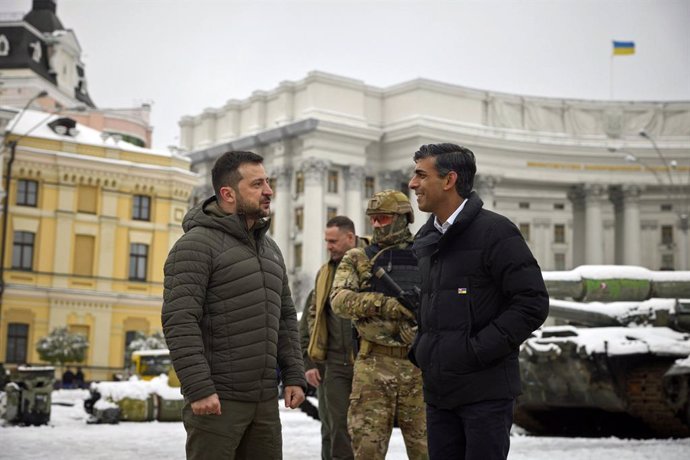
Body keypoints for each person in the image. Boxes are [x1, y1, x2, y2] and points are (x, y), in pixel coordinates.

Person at [408, 143, 549, 460]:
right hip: (439, 395)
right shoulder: (424, 240)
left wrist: (476, 350)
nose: (412, 183)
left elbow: (532, 302)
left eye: (420, 174)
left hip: (485, 395)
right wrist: (422, 351)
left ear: (449, 180)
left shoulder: (496, 232)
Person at [162, 150, 306, 460]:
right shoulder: (195, 245)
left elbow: (284, 317)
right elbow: (179, 321)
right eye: (257, 184)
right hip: (217, 403)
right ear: (228, 194)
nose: (268, 191)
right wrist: (199, 387)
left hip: (264, 403)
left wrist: (294, 373)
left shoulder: (270, 249)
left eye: (267, 182)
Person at [330, 191, 428, 460]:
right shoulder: (358, 257)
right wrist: (385, 305)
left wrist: (420, 331)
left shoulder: (427, 255)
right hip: (374, 364)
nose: (375, 225)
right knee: (367, 450)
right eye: (372, 219)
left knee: (428, 450)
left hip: (419, 366)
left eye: (382, 219)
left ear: (402, 219)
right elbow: (339, 301)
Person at [306, 216, 367, 460]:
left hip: (366, 361)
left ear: (350, 238)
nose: (328, 246)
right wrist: (311, 361)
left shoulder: (373, 262)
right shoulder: (325, 273)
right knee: (336, 428)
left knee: (368, 429)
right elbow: (313, 317)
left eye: (333, 241)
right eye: (326, 241)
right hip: (334, 365)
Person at [299, 289, 332, 460]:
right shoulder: (320, 289)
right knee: (330, 429)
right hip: (327, 371)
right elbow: (304, 332)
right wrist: (309, 364)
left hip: (364, 372)